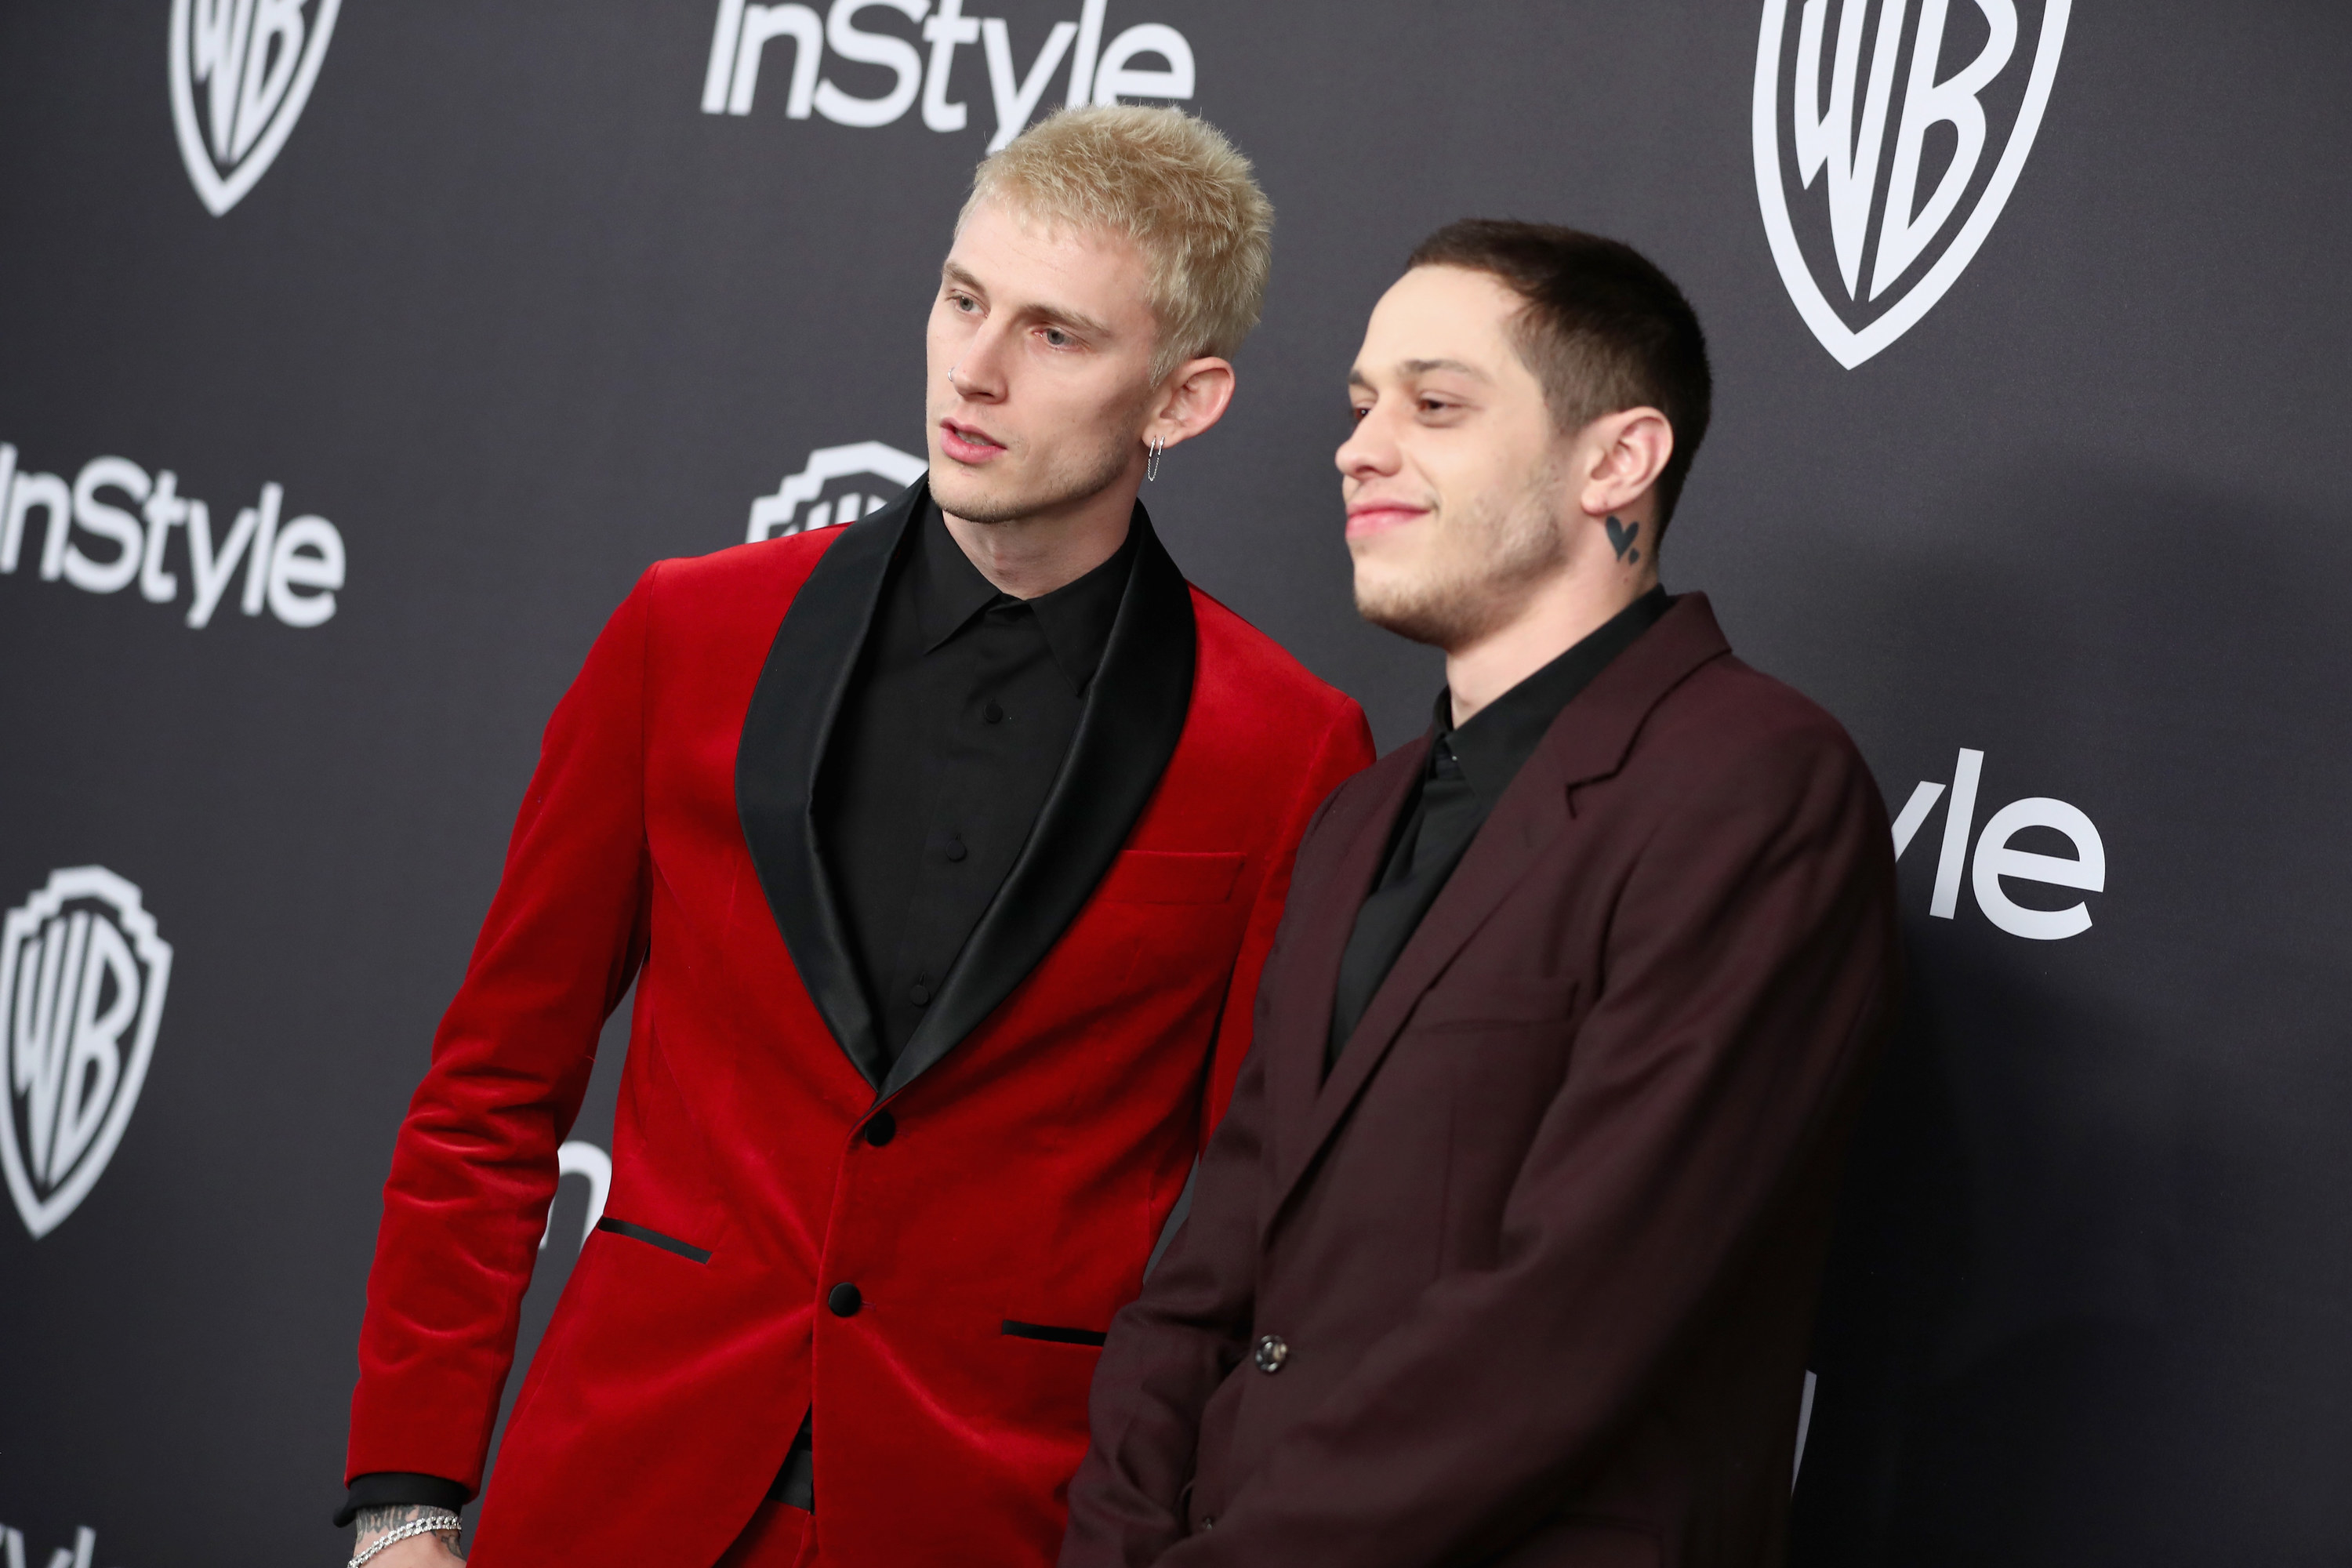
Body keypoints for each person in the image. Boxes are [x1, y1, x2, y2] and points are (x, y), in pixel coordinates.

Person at [339, 107, 1374, 1568]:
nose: (977, 369)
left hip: (997, 1515)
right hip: (620, 1488)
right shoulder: (687, 636)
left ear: (1183, 400)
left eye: (1057, 335)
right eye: (962, 301)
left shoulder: (1287, 746)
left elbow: (1242, 1223)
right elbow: (492, 1093)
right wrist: (407, 1502)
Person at [1059, 220, 1899, 1568]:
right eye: (1360, 405)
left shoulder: (1755, 790)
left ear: (1615, 460)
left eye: (1435, 405)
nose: (1359, 447)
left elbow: (1573, 1317)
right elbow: (1206, 1275)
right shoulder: (1358, 819)